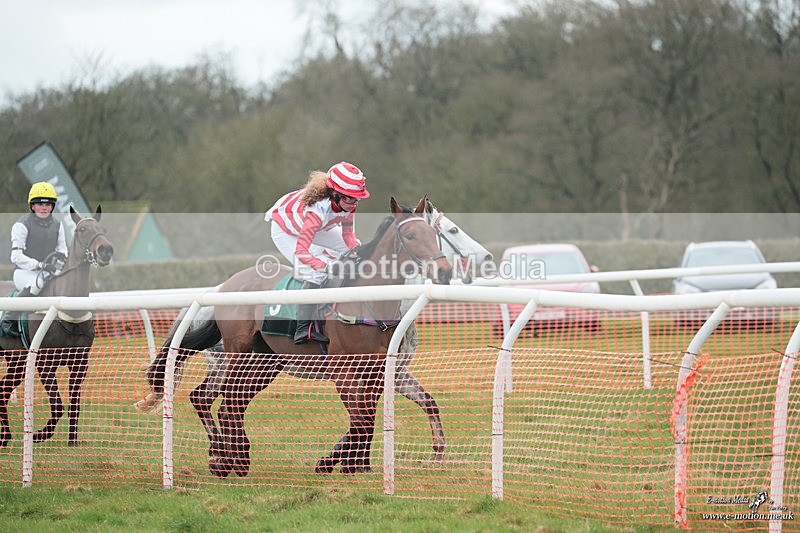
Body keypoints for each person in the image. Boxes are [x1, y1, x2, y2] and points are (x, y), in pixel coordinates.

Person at [265, 162, 369, 344]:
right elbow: (302, 252)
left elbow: (348, 236)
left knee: (353, 250)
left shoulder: (348, 203)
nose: (353, 203)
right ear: (335, 194)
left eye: (356, 199)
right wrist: (326, 266)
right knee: (313, 272)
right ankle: (303, 328)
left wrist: (358, 251)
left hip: (318, 227)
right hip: (286, 230)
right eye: (349, 199)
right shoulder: (317, 210)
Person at [1, 182, 68, 335]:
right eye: (40, 203)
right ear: (32, 206)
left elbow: (62, 250)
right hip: (24, 273)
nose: (44, 207)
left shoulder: (58, 225)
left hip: (47, 272)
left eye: (48, 203)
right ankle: (8, 319)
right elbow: (16, 257)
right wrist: (38, 264)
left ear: (52, 206)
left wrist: (60, 263)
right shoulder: (21, 225)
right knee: (37, 284)